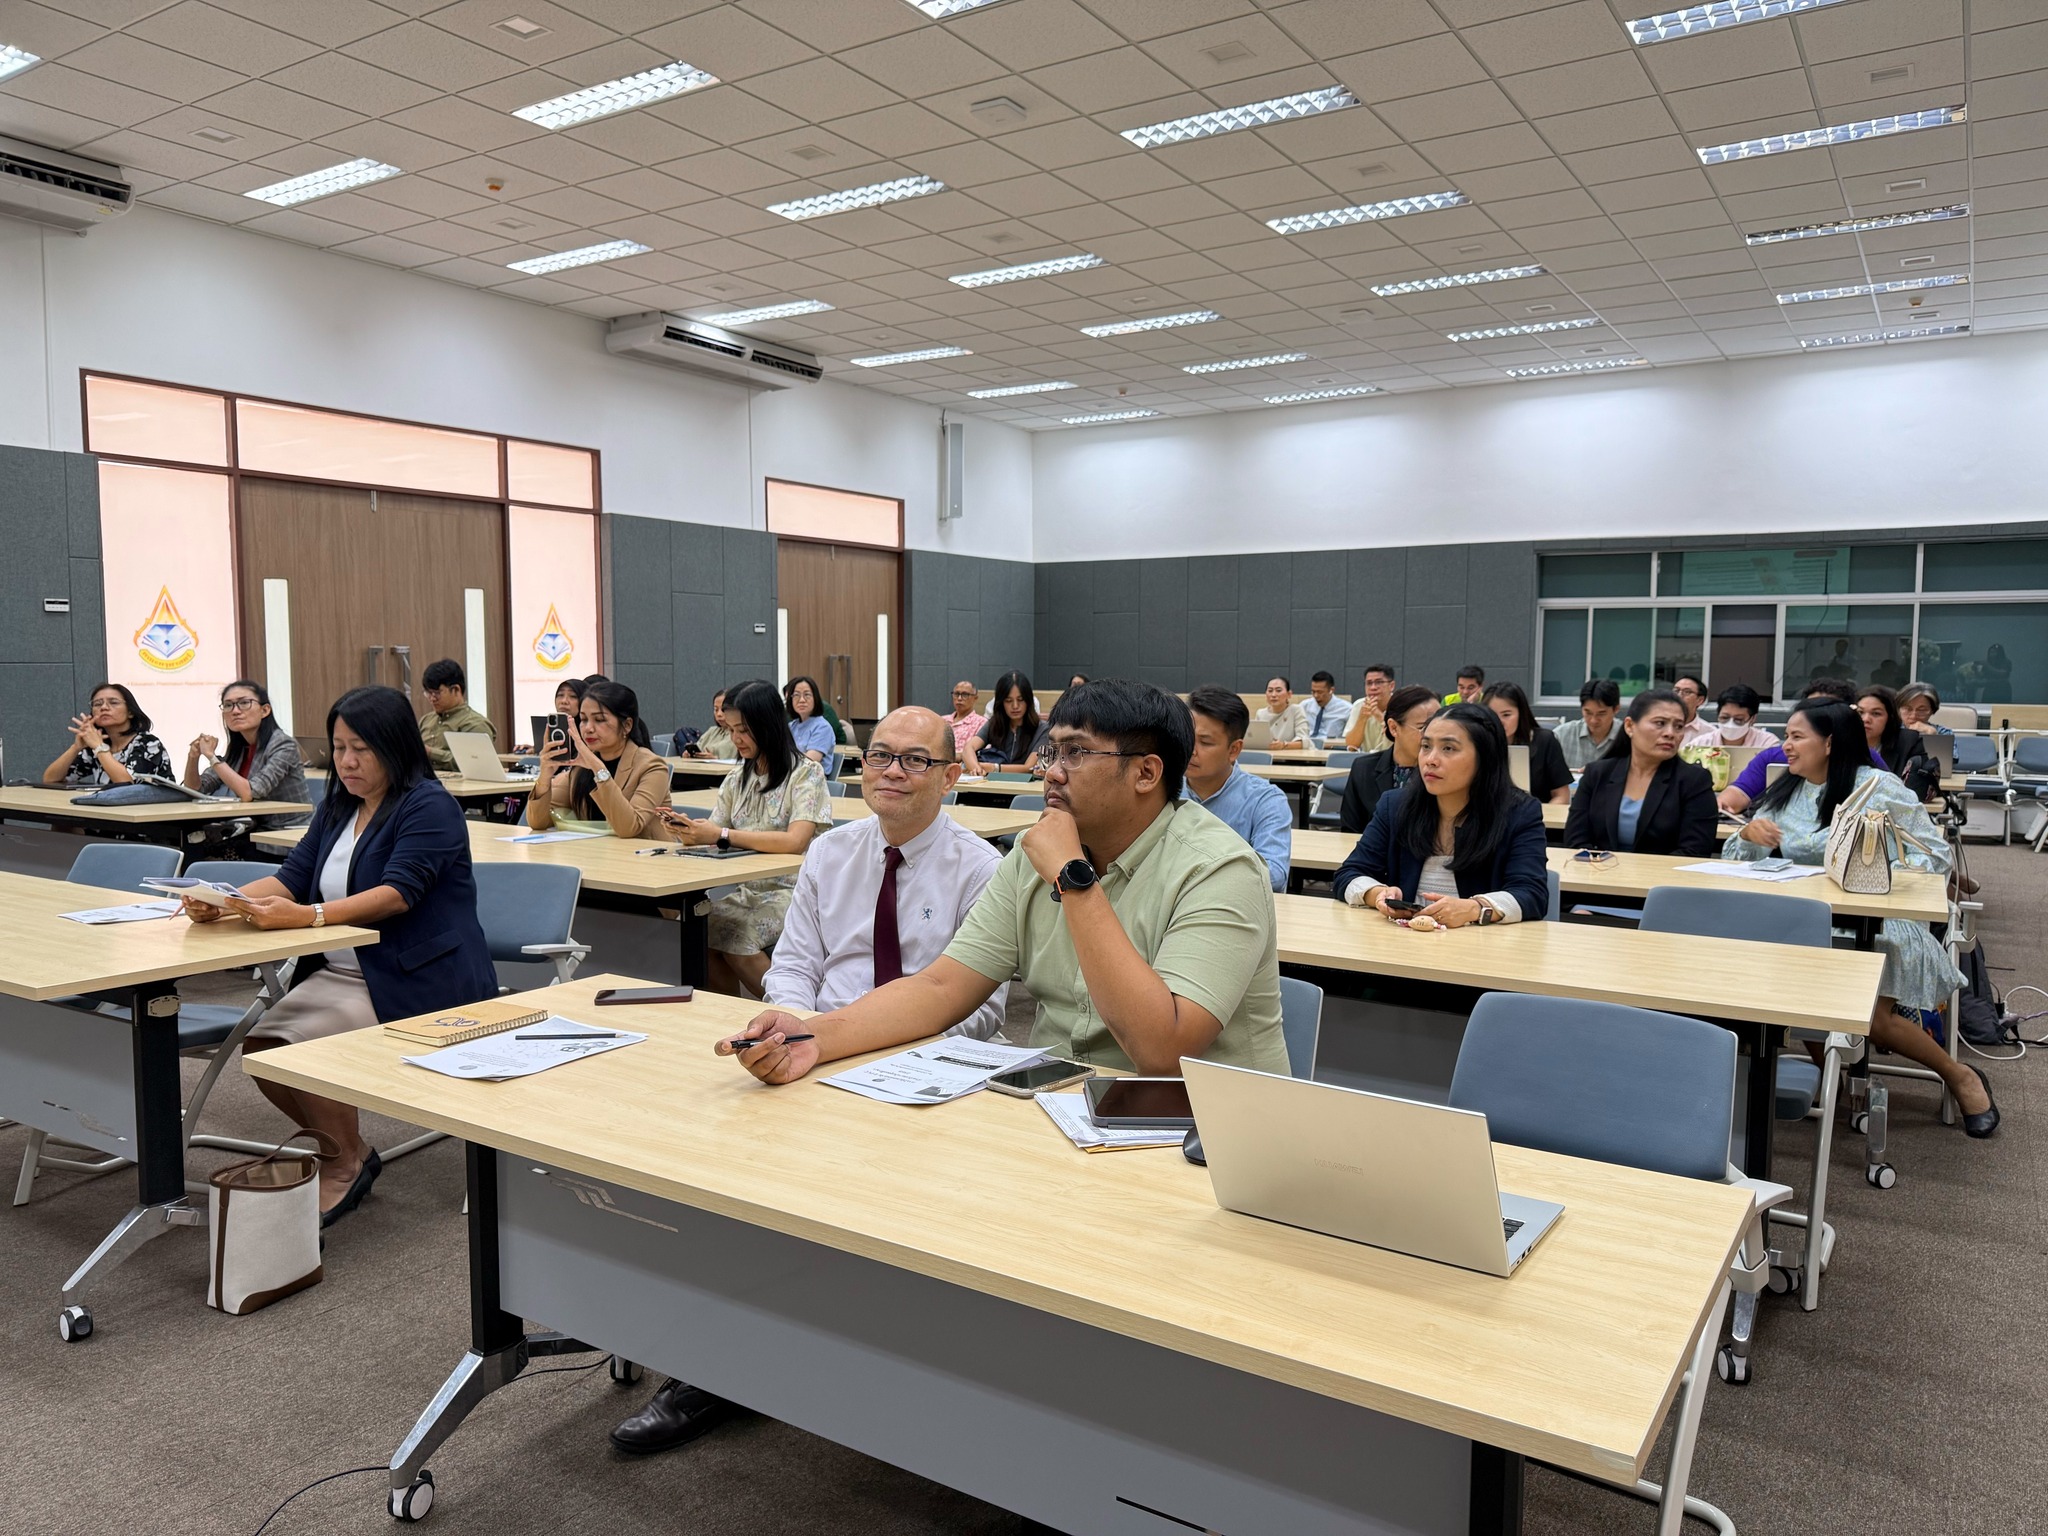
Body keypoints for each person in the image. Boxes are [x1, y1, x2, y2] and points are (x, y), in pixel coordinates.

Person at [612, 704, 1010, 1455]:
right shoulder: (833, 852)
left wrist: (857, 1046)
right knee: (729, 1185)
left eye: (916, 760)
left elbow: (983, 1010)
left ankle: (897, 1378)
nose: (893, 772)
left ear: (951, 776)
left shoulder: (982, 869)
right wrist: (788, 1027)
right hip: (812, 1056)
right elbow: (794, 963)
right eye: (880, 755)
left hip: (915, 1070)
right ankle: (712, 1366)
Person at [720, 679, 1289, 1085]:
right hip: (1063, 1103)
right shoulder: (1031, 856)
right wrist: (814, 1037)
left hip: (1201, 1131)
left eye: (1076, 754)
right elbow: (940, 988)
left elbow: (1163, 1053)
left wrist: (1074, 879)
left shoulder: (1219, 870)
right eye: (1052, 751)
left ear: (1146, 772)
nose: (1052, 772)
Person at [180, 685, 494, 1221]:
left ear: (395, 747)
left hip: (415, 975)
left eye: (361, 750)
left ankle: (344, 1167)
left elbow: (397, 894)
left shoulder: (429, 805)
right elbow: (293, 876)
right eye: (339, 747)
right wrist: (226, 901)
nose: (346, 762)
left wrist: (309, 916)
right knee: (262, 1050)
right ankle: (349, 1153)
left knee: (298, 1046)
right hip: (345, 969)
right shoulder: (339, 806)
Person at [1724, 699, 1995, 1136]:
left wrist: (1879, 867)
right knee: (1791, 995)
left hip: (1879, 918)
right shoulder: (1787, 790)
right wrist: (1749, 834)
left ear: (1830, 743)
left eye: (1796, 737)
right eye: (1786, 736)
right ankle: (1837, 1076)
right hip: (1805, 917)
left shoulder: (1878, 787)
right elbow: (1740, 861)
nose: (1785, 746)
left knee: (1873, 1018)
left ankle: (1959, 1075)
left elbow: (1934, 856)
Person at [661, 679, 833, 997]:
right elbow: (716, 832)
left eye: (743, 730)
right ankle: (729, 1017)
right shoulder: (737, 779)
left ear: (767, 725)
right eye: (730, 730)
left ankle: (792, 1012)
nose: (735, 739)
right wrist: (691, 832)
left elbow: (795, 842)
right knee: (703, 929)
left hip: (797, 893)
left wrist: (723, 835)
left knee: (738, 934)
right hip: (748, 892)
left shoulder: (806, 773)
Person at [1332, 702, 1548, 927]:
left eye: (1448, 749)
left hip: (1481, 944)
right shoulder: (1395, 805)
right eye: (1426, 746)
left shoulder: (1519, 812)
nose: (1430, 760)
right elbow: (1349, 874)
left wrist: (1475, 908)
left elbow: (1532, 894)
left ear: (1485, 757)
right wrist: (1376, 893)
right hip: (1403, 940)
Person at [1565, 689, 1719, 855]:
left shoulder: (1694, 781)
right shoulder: (1597, 773)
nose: (1670, 733)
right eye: (1660, 723)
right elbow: (1575, 840)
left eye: (1679, 726)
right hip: (1597, 869)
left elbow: (1695, 850)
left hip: (1663, 871)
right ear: (1630, 726)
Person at [525, 679, 671, 837]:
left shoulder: (652, 766)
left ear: (627, 725)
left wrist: (598, 769)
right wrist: (545, 777)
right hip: (596, 850)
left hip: (642, 851)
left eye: (600, 720)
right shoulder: (580, 768)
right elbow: (538, 823)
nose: (588, 728)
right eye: (583, 719)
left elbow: (629, 828)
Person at [1181, 686, 1292, 891]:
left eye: (1205, 742)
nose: (1191, 750)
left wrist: (1191, 875)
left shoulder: (1266, 800)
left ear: (1234, 750)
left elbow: (1274, 874)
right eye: (1186, 737)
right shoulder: (1163, 789)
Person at [1718, 678, 1885, 813]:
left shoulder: (1871, 770)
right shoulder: (1775, 758)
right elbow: (1739, 793)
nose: (1787, 746)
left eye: (1823, 710)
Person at [182, 679, 312, 828]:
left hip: (285, 829)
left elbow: (249, 792)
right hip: (251, 827)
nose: (235, 711)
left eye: (244, 703)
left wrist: (212, 757)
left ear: (265, 710)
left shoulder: (283, 744)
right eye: (228, 705)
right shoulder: (239, 748)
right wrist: (193, 757)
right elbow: (195, 790)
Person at [1339, 685, 1439, 834]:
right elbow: (1350, 830)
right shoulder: (1364, 769)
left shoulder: (1441, 769)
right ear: (1393, 728)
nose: (1432, 736)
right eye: (1422, 727)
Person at [43, 682, 171, 787]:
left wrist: (99, 747)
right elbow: (50, 779)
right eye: (97, 704)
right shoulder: (97, 746)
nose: (104, 707)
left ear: (130, 712)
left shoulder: (148, 743)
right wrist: (76, 747)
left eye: (113, 702)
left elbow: (127, 784)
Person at [1481, 681, 1570, 804]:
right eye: (1493, 716)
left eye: (1506, 715)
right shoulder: (1479, 743)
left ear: (1521, 713)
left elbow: (1562, 795)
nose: (1500, 722)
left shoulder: (1545, 740)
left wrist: (1540, 815)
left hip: (1539, 813)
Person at [416, 659, 496, 772]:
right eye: (428, 693)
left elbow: (475, 764)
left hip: (460, 782)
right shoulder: (426, 720)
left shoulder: (475, 724)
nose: (432, 698)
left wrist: (431, 753)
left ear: (456, 690)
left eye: (437, 693)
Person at [965, 670, 1046, 773]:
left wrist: (995, 768)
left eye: (1020, 700)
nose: (1015, 706)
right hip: (992, 782)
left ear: (1028, 701)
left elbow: (1030, 767)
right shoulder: (994, 723)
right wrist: (976, 768)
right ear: (1001, 702)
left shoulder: (1042, 729)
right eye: (1008, 701)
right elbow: (969, 748)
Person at [1858, 684, 1928, 779]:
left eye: (1876, 713)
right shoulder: (1841, 741)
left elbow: (1917, 784)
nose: (1865, 719)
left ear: (1890, 718)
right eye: (1860, 712)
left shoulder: (1908, 742)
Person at [1552, 678, 1621, 772]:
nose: (1593, 720)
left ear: (1616, 709)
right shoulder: (1561, 735)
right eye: (1588, 713)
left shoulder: (1629, 737)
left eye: (1601, 714)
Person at [1699, 684, 1778, 749]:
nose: (1730, 724)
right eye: (1724, 718)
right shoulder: (1701, 744)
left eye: (1739, 719)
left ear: (1753, 719)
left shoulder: (1767, 744)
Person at [1342, 663, 1397, 753]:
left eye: (1379, 682)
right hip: (1367, 758)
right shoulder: (1359, 705)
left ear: (1391, 686)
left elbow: (1403, 742)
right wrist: (1362, 718)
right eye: (1369, 683)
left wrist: (1380, 717)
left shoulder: (1401, 706)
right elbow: (1351, 745)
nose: (1373, 687)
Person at [782, 675, 837, 763]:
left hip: (809, 771)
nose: (802, 700)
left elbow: (810, 761)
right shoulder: (791, 726)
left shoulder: (822, 727)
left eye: (807, 695)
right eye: (796, 695)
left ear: (815, 698)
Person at [1254, 676, 1311, 749]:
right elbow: (1256, 740)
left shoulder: (1296, 710)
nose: (1273, 695)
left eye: (1278, 690)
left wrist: (1283, 745)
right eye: (1270, 691)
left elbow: (1304, 742)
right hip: (1269, 753)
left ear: (1289, 694)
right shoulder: (1261, 713)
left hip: (1293, 755)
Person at [678, 689, 735, 759]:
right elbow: (698, 746)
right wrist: (689, 754)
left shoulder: (739, 734)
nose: (719, 714)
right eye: (716, 709)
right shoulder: (712, 731)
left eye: (723, 709)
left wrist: (715, 759)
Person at [1301, 670, 1352, 746]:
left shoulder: (1347, 709)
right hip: (1307, 746)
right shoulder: (1304, 706)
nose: (1316, 696)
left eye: (1320, 692)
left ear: (1331, 690)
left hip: (1332, 747)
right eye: (1313, 692)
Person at [945, 680, 985, 756]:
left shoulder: (981, 723)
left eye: (965, 695)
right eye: (956, 694)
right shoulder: (942, 720)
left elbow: (981, 753)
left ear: (975, 698)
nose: (959, 698)